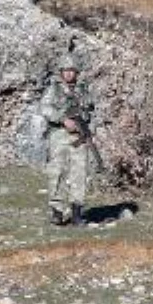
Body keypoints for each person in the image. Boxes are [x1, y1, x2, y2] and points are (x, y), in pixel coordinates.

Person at [41, 53, 96, 226]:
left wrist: (83, 121)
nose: (69, 74)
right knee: (57, 172)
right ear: (61, 72)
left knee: (80, 173)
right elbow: (44, 108)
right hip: (59, 135)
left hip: (79, 136)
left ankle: (76, 213)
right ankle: (57, 211)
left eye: (72, 70)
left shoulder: (83, 89)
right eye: (66, 70)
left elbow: (91, 108)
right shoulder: (54, 89)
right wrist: (63, 119)